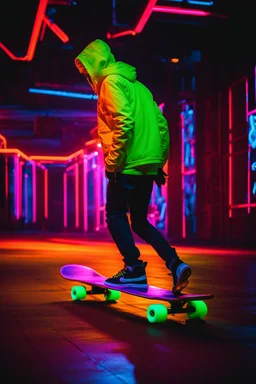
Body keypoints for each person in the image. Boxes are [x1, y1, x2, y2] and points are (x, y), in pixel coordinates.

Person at [75, 39, 191, 294]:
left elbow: (124, 123)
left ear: (97, 65)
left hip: (127, 163)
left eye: (86, 71)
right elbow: (162, 126)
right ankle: (175, 262)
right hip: (146, 165)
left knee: (115, 214)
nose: (86, 78)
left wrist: (113, 164)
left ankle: (134, 269)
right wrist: (159, 163)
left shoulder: (110, 83)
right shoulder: (141, 88)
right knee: (138, 220)